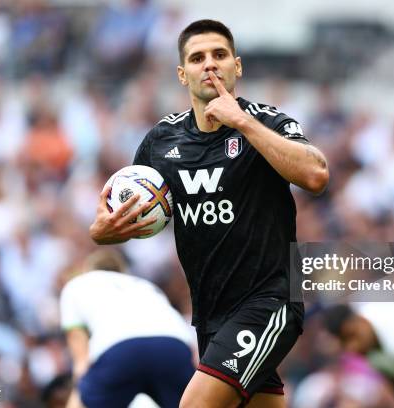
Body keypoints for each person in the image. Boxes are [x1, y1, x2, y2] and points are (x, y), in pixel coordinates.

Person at [89, 19, 329, 407]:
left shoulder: (266, 121)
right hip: (211, 314)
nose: (210, 64)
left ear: (237, 66)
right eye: (198, 58)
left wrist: (242, 122)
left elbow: (316, 175)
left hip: (270, 300)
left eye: (219, 55)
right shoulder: (161, 141)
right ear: (183, 75)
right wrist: (104, 232)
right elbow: (138, 217)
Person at [59, 249, 195, 408]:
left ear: (88, 270)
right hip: (174, 347)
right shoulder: (145, 285)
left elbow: (81, 363)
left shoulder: (76, 285)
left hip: (120, 350)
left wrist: (82, 392)